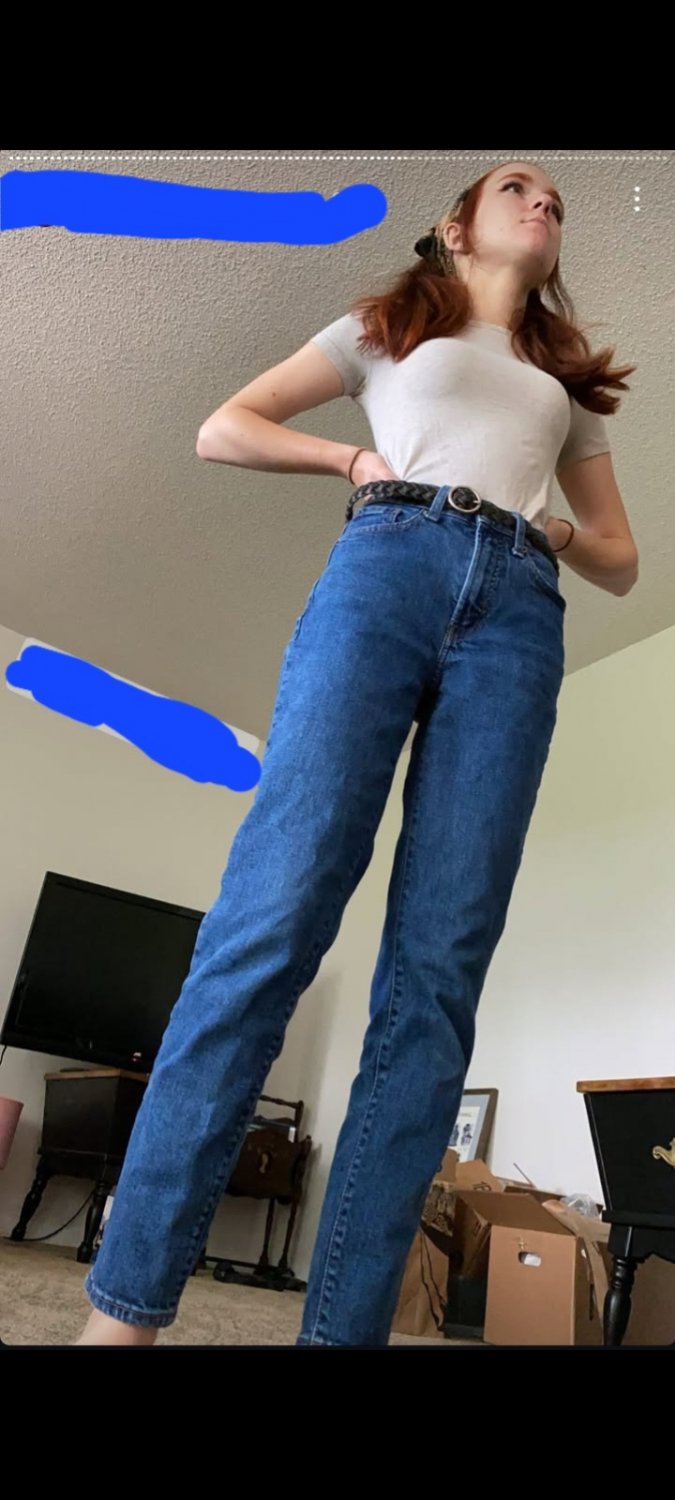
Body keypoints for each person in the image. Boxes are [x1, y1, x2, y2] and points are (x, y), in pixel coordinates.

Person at [76, 160, 638, 1347]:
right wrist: (346, 461)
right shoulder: (388, 326)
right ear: (455, 225)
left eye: (556, 200)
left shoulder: (561, 380)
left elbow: (620, 557)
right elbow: (224, 428)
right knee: (272, 914)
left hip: (521, 613)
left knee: (438, 973)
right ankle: (124, 1315)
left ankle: (342, 1334)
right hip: (388, 562)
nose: (544, 203)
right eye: (518, 186)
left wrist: (549, 527)